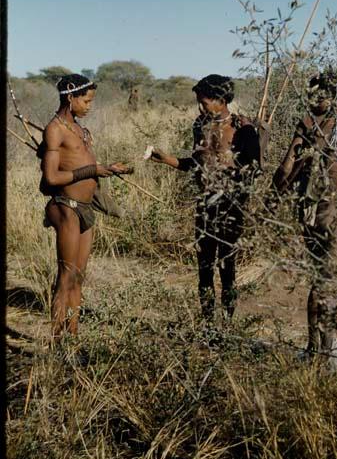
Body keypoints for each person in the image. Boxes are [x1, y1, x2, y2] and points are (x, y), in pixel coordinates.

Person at [147, 74, 260, 330]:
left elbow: (255, 170)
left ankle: (228, 326)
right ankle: (208, 325)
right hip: (204, 205)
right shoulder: (200, 125)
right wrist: (166, 159)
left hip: (231, 207)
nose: (200, 107)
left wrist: (233, 180)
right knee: (204, 267)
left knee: (227, 266)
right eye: (199, 102)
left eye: (204, 101)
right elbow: (193, 164)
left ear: (221, 100)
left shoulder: (244, 130)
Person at [271, 70, 337, 358]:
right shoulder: (328, 125)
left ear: (331, 96)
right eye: (311, 94)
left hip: (322, 211)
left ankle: (317, 348)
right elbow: (287, 166)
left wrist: (272, 201)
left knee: (322, 279)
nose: (312, 100)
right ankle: (319, 349)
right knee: (324, 279)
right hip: (318, 212)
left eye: (318, 95)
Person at [40, 74, 130, 341]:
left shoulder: (80, 130)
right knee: (65, 275)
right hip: (66, 207)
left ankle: (73, 337)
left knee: (79, 276)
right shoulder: (54, 130)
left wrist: (108, 169)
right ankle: (56, 342)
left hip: (85, 207)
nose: (90, 106)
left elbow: (81, 163)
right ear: (71, 98)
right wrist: (92, 170)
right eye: (86, 100)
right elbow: (52, 178)